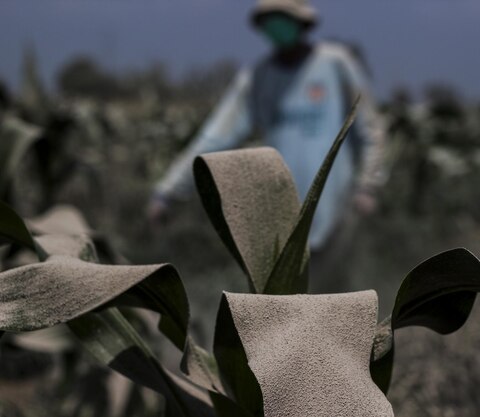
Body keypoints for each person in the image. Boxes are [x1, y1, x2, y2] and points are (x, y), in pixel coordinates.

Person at [148, 0, 387, 252]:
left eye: (283, 18)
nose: (277, 27)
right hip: (280, 215)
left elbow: (370, 129)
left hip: (337, 210)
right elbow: (215, 136)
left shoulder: (336, 64)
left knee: (338, 288)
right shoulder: (258, 78)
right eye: (270, 20)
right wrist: (169, 190)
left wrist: (368, 185)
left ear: (301, 22)